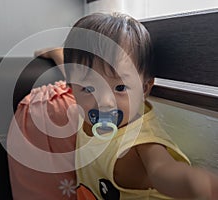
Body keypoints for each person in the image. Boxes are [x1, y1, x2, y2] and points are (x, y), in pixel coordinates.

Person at [36, 12, 218, 199]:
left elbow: (163, 170)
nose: (104, 101)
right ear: (72, 88)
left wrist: (196, 183)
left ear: (144, 88)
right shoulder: (80, 95)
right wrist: (55, 53)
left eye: (120, 87)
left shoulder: (140, 139)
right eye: (89, 87)